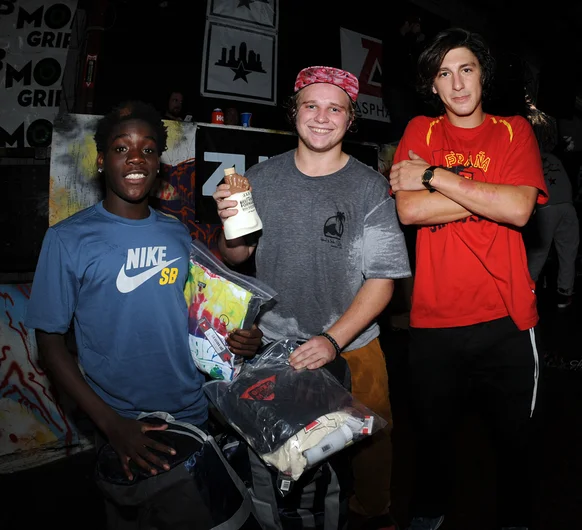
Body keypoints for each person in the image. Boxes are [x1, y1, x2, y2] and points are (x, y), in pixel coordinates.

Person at [24, 100, 262, 529]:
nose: (136, 158)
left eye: (148, 150)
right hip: (122, 423)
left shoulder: (176, 232)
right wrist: (112, 425)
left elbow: (199, 313)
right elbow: (50, 343)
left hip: (192, 413)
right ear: (101, 161)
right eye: (121, 148)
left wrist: (241, 337)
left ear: (159, 165)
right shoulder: (66, 240)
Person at [213, 65, 411, 530]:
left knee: (373, 442)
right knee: (282, 449)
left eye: (335, 109)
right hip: (274, 346)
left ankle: (373, 515)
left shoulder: (370, 188)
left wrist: (333, 340)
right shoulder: (259, 179)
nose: (322, 118)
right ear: (294, 113)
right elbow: (237, 254)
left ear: (349, 119)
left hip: (353, 342)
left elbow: (383, 280)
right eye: (311, 106)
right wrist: (229, 220)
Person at [388, 28, 548, 530]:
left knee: (515, 443)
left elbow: (519, 208)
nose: (457, 84)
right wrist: (487, 192)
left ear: (482, 75)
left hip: (507, 319)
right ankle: (429, 515)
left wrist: (437, 177)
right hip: (435, 322)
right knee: (432, 441)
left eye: (466, 69)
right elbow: (410, 211)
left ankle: (516, 520)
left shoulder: (514, 131)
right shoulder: (421, 130)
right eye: (443, 73)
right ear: (432, 86)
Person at [526, 107, 579, 309]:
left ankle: (527, 290)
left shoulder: (532, 157)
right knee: (567, 252)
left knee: (539, 252)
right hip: (567, 206)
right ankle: (564, 293)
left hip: (548, 208)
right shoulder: (555, 156)